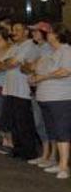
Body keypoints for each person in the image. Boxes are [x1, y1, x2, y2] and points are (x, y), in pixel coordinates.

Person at [30, 24, 71, 179]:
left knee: (62, 132)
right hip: (46, 98)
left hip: (61, 98)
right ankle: (57, 161)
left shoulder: (66, 51)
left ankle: (64, 166)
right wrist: (35, 78)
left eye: (51, 32)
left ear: (57, 35)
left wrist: (43, 77)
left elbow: (65, 71)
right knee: (53, 131)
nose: (48, 35)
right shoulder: (53, 52)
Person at [0, 22, 40, 160]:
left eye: (18, 30)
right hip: (9, 89)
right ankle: (18, 149)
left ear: (26, 32)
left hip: (22, 90)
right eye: (13, 29)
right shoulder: (14, 47)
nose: (14, 32)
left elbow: (13, 63)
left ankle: (29, 151)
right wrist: (10, 62)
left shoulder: (29, 46)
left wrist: (10, 62)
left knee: (24, 122)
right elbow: (2, 64)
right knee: (12, 122)